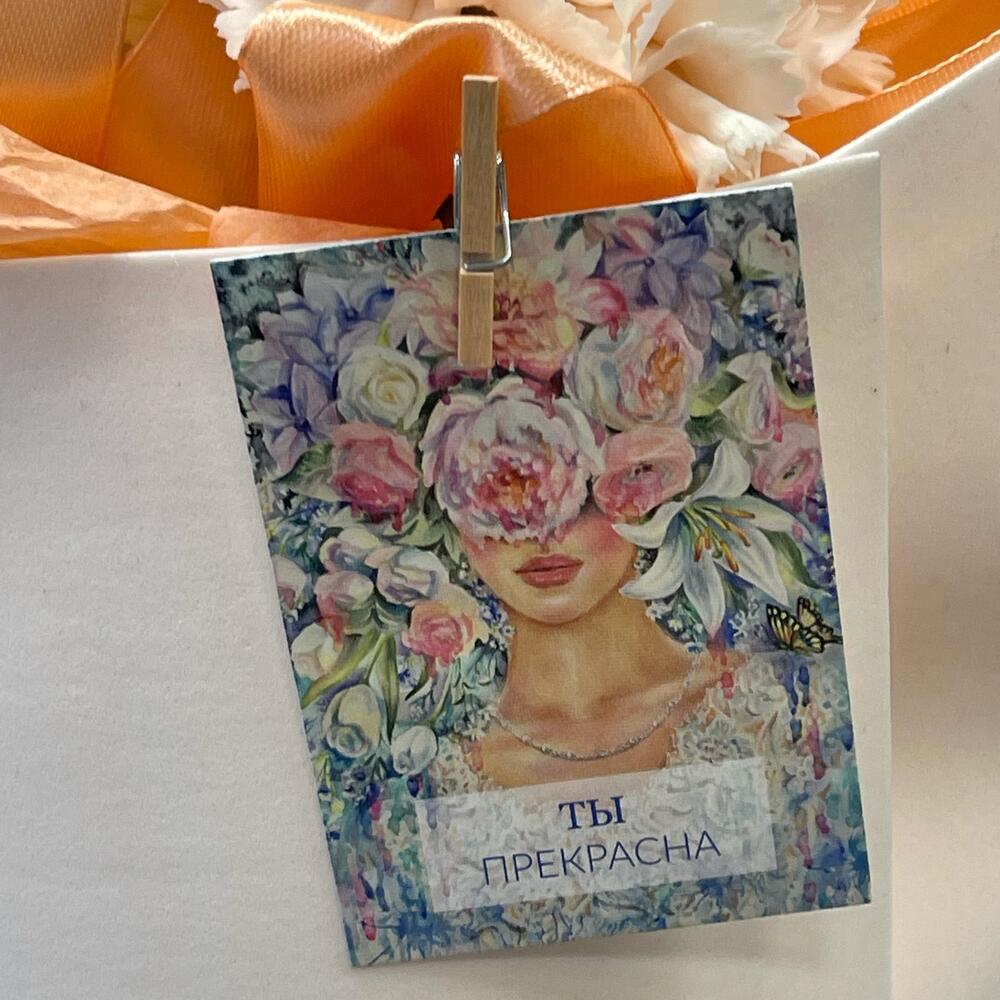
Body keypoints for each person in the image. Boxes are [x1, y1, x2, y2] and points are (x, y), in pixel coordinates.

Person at [453, 502, 730, 789]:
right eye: (497, 501)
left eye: (582, 497)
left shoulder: (749, 697)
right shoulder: (440, 755)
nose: (541, 534)